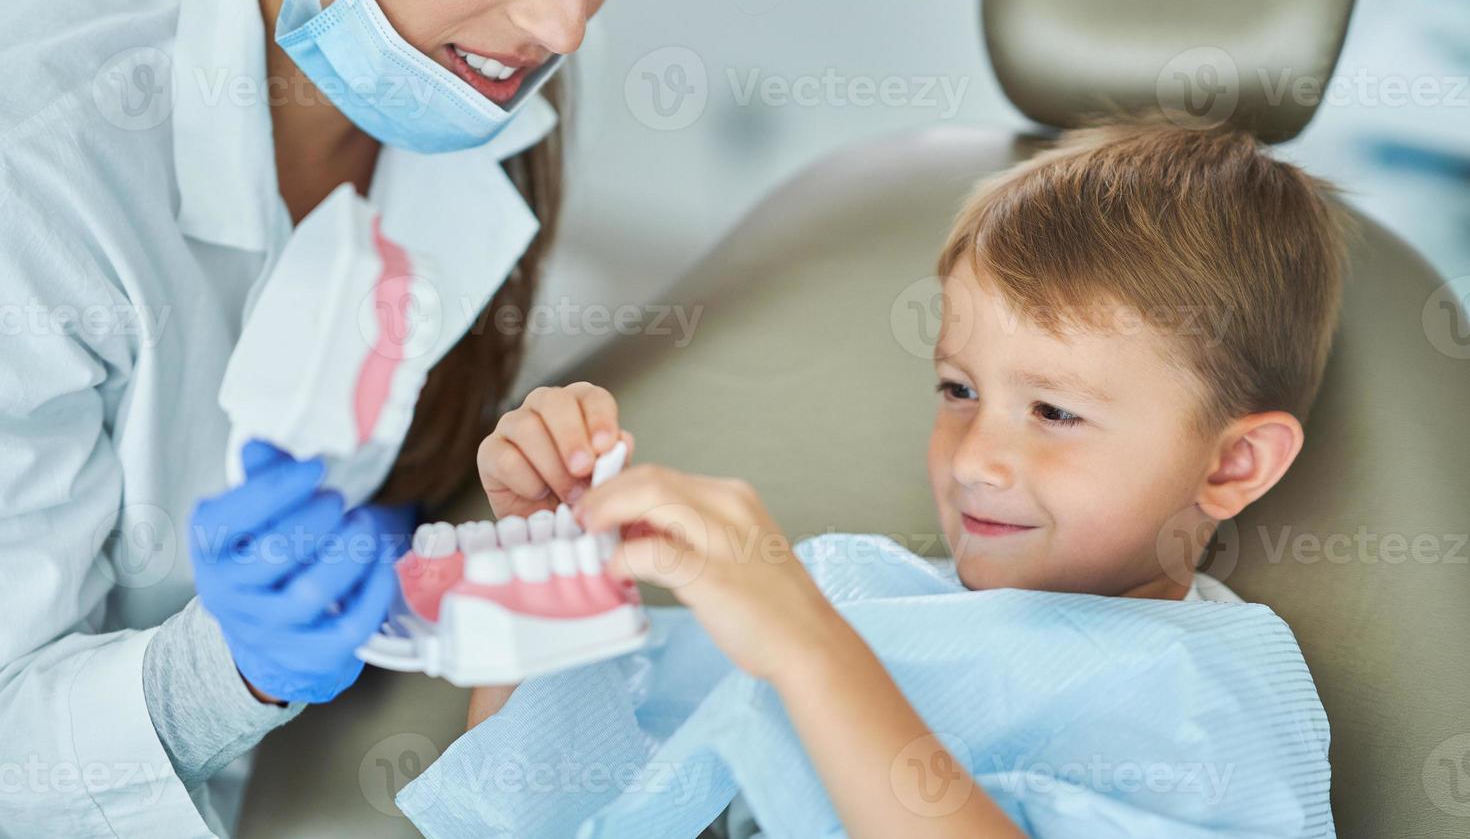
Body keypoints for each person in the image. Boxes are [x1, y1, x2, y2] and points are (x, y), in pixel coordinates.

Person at [0, 0, 704, 835]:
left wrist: (473, 546)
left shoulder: (460, 86)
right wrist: (216, 675)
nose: (563, 23)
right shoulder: (30, 167)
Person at [437, 118, 1349, 836]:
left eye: (1056, 413)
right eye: (958, 389)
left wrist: (808, 651)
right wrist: (547, 563)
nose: (975, 456)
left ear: (1232, 463)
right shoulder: (865, 598)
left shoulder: (1203, 702)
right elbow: (535, 812)